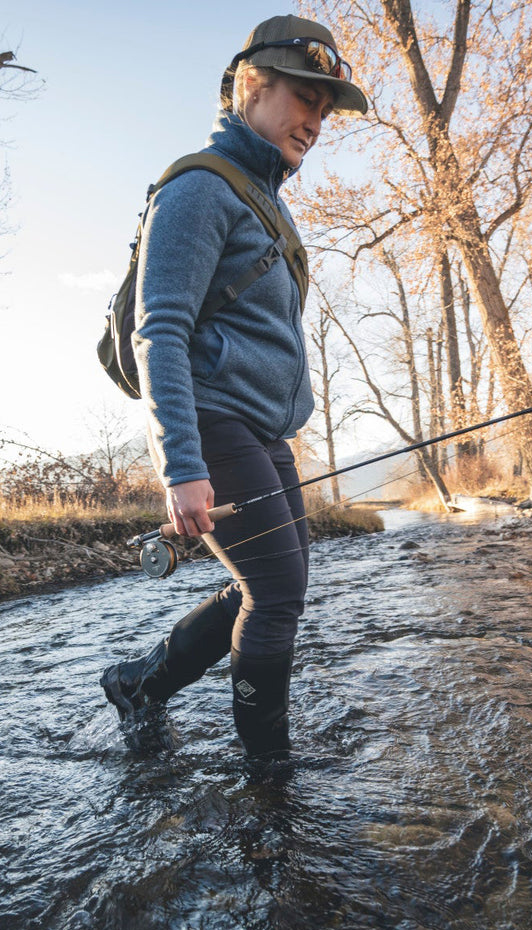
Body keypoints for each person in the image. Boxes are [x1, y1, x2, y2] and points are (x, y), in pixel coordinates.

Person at [100, 15, 367, 763]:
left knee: (278, 582)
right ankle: (267, 780)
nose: (315, 121)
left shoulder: (266, 200)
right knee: (277, 592)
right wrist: (180, 466)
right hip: (214, 426)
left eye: (325, 108)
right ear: (253, 86)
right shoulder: (197, 188)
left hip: (261, 433)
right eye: (304, 97)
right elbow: (160, 329)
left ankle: (142, 684)